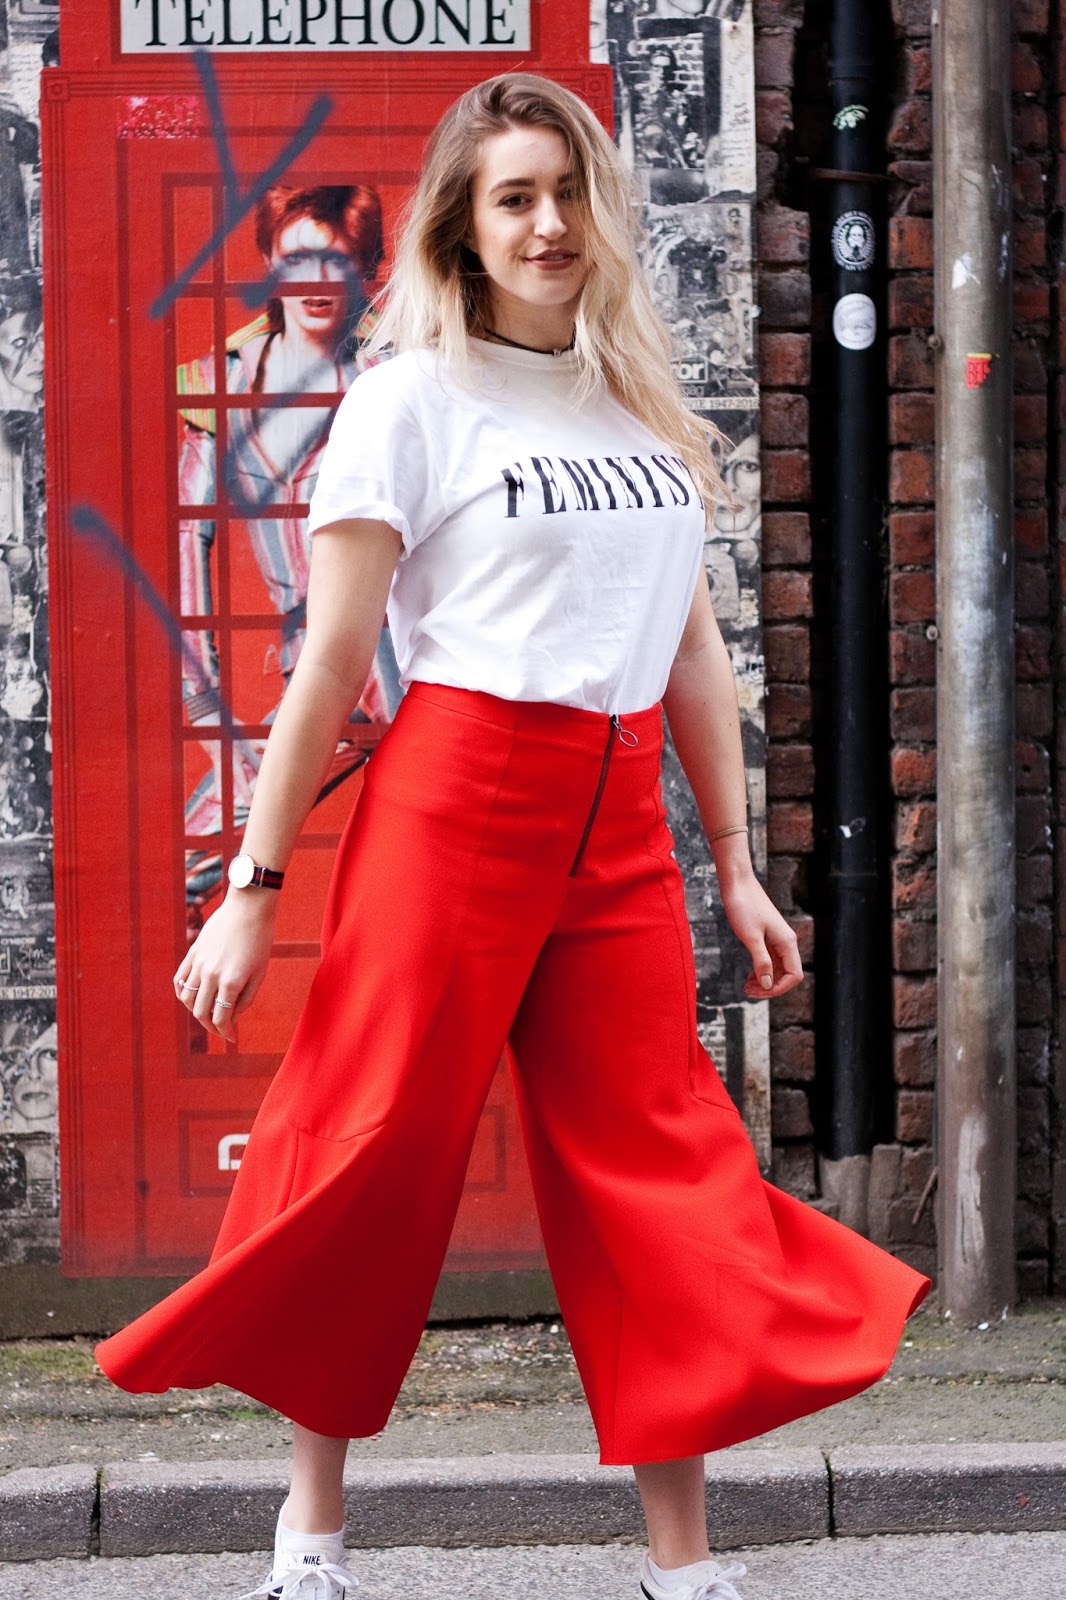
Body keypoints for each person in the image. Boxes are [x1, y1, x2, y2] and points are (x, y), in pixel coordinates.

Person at [95, 72, 930, 1600]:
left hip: (616, 818)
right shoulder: (409, 399)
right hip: (459, 796)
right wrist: (251, 887)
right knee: (370, 1150)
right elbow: (329, 665)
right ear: (463, 230)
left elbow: (688, 651)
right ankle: (309, 1538)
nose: (547, 225)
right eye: (513, 199)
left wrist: (732, 866)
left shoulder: (639, 411)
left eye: (565, 194)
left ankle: (682, 1566)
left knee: (659, 1170)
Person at [178, 183, 401, 922]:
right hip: (319, 678)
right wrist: (205, 706)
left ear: (364, 268)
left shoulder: (400, 372)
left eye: (336, 261)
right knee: (187, 860)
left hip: (415, 674)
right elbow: (188, 546)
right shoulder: (220, 381)